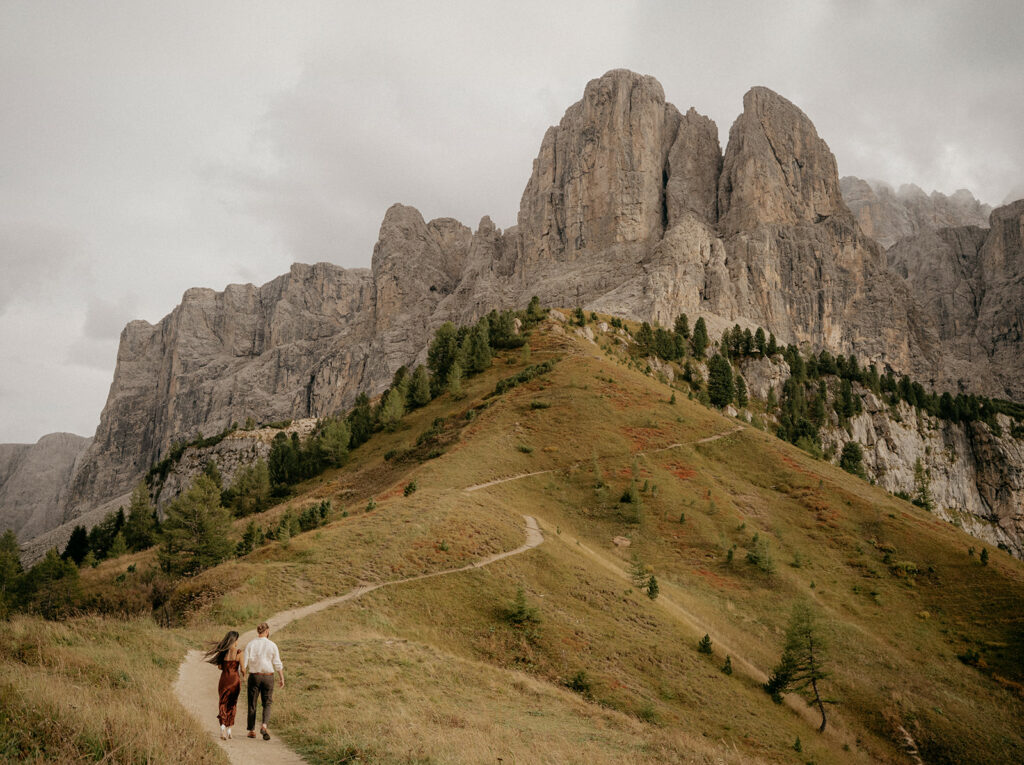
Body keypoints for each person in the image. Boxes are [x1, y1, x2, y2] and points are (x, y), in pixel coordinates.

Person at [243, 621, 285, 740]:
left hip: (254, 676)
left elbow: (244, 663)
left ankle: (252, 730)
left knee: (252, 703)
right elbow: (277, 663)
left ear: (258, 631)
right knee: (267, 703)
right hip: (268, 676)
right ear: (267, 631)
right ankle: (264, 726)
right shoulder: (272, 645)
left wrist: (243, 675)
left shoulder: (250, 644)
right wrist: (281, 677)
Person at [204, 630, 244, 740]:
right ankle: (229, 730)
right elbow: (243, 669)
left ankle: (222, 728)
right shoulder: (239, 652)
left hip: (224, 680)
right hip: (235, 680)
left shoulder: (223, 652)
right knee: (232, 704)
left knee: (222, 703)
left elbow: (220, 667)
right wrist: (244, 676)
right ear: (235, 640)